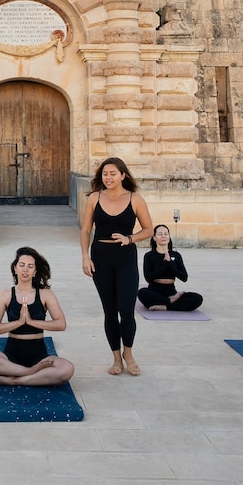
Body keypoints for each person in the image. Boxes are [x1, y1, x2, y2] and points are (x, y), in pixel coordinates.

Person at [80, 156, 154, 376]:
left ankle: (128, 354)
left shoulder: (135, 199)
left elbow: (149, 229)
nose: (108, 177)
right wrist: (85, 257)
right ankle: (115, 358)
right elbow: (85, 230)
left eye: (113, 173)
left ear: (123, 175)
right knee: (110, 311)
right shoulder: (94, 198)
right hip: (100, 258)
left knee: (126, 310)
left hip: (125, 258)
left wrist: (129, 238)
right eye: (105, 173)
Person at [0, 247, 75, 387]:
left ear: (35, 271)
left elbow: (61, 324)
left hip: (39, 355)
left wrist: (31, 321)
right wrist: (19, 322)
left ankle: (15, 379)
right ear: (15, 268)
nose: (25, 270)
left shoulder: (45, 294)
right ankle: (31, 372)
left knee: (67, 369)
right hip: (11, 355)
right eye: (22, 265)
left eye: (30, 266)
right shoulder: (5, 294)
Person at [137, 224, 203, 312]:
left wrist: (170, 264)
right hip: (155, 291)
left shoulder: (176, 255)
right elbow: (149, 278)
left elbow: (184, 277)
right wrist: (164, 264)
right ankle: (171, 301)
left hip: (171, 292)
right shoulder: (149, 256)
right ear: (154, 238)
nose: (163, 236)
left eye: (166, 234)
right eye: (160, 234)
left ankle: (165, 306)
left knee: (197, 298)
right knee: (142, 292)